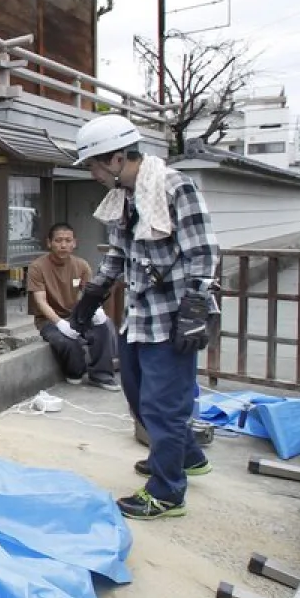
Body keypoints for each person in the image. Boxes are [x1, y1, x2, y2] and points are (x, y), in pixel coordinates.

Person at [69, 115, 219, 520]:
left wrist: (194, 308)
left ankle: (167, 493)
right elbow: (117, 255)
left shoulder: (174, 187)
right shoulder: (126, 198)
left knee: (162, 406)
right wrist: (92, 296)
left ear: (117, 159)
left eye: (95, 166)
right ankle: (186, 456)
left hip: (173, 319)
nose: (93, 174)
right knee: (137, 393)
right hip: (140, 316)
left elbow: (202, 252)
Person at [26, 223, 119, 390]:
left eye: (68, 240)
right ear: (49, 243)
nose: (63, 245)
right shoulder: (37, 267)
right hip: (49, 320)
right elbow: (40, 301)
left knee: (104, 327)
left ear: (74, 243)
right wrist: (60, 323)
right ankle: (76, 372)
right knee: (67, 342)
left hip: (77, 315)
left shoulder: (81, 265)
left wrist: (96, 310)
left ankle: (101, 375)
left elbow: (88, 294)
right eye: (58, 240)